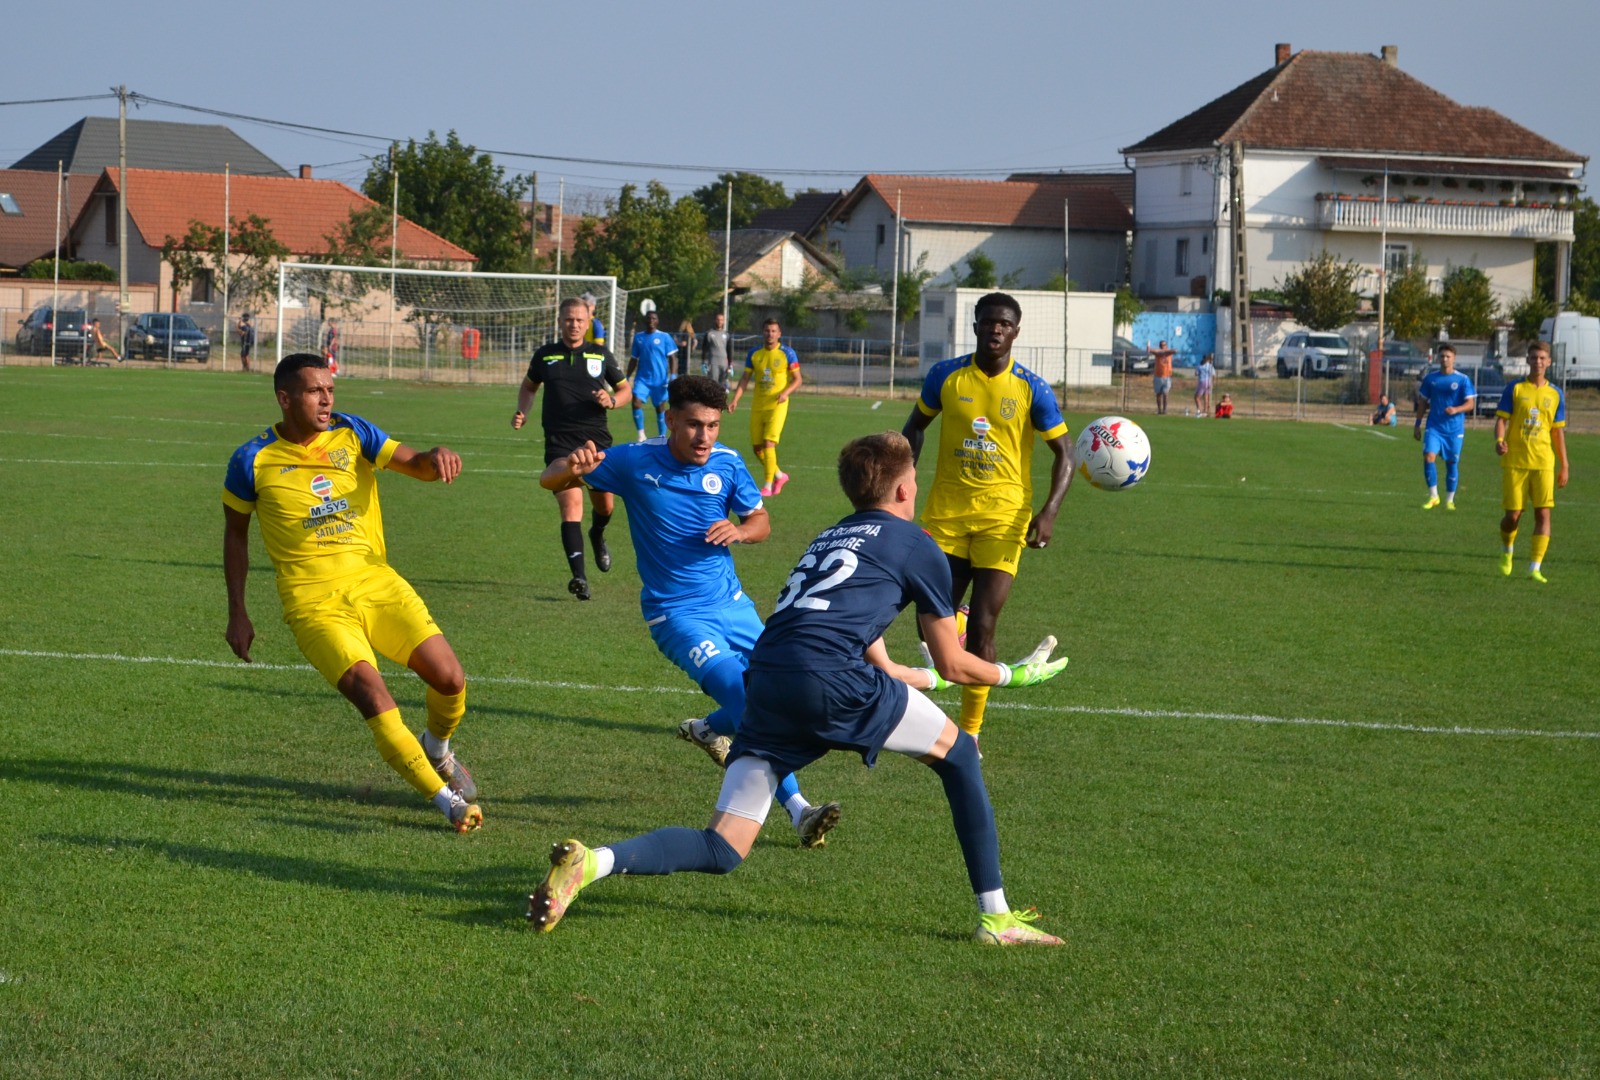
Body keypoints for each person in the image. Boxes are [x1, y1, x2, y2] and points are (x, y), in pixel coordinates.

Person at [527, 431, 1072, 945]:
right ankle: (996, 917)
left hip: (767, 679)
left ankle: (594, 862)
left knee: (722, 847)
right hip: (828, 679)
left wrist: (911, 675)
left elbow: (862, 637)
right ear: (906, 489)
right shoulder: (915, 542)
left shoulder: (831, 534)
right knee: (959, 756)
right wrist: (1013, 674)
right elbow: (955, 662)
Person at [539, 375, 836, 848]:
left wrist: (741, 532)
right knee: (748, 700)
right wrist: (570, 466)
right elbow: (550, 478)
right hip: (677, 615)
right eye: (694, 425)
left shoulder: (728, 462)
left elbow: (760, 521)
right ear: (671, 419)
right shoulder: (635, 461)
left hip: (734, 607)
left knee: (782, 689)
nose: (705, 437)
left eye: (714, 426)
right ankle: (800, 810)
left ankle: (703, 730)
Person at [222, 353, 481, 832]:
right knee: (373, 694)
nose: (327, 399)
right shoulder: (251, 459)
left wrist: (437, 455)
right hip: (313, 603)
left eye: (330, 390)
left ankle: (438, 751)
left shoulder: (352, 432)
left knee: (450, 679)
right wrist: (238, 611)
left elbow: (416, 464)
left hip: (375, 583)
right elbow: (235, 535)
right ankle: (448, 803)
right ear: (284, 398)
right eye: (314, 391)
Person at [902, 292, 1073, 748]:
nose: (996, 330)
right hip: (946, 516)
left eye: (1005, 324)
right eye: (989, 322)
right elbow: (915, 426)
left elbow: (1065, 452)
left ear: (1015, 332)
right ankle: (953, 629)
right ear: (975, 326)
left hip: (1003, 518)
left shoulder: (1031, 388)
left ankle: (971, 733)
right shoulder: (946, 376)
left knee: (983, 627)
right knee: (927, 621)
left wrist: (1050, 511)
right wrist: (903, 479)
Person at [513, 297, 633, 602]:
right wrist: (522, 411)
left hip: (597, 444)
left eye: (580, 320)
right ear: (560, 321)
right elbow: (529, 386)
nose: (574, 324)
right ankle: (579, 577)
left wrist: (612, 401)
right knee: (571, 507)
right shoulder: (545, 355)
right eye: (569, 319)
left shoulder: (600, 354)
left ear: (589, 321)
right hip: (560, 444)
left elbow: (625, 390)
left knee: (605, 508)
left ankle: (597, 534)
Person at [1494, 341, 1568, 583]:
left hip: (1543, 463)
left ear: (1549, 362)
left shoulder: (1556, 394)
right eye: (1534, 357)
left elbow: (1557, 432)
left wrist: (1564, 465)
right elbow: (1502, 420)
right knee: (1513, 516)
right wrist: (1499, 440)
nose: (1538, 361)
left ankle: (1535, 567)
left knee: (1543, 514)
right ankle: (1507, 552)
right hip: (1515, 462)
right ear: (1527, 360)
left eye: (1542, 358)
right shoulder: (1514, 388)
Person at [729, 317, 803, 496]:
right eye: (767, 331)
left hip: (777, 405)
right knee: (757, 448)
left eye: (773, 331)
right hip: (758, 404)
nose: (770, 334)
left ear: (779, 334)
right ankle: (779, 475)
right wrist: (735, 399)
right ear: (762, 332)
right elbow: (745, 379)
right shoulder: (754, 353)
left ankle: (768, 485)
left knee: (769, 443)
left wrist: (785, 393)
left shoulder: (787, 353)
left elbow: (797, 379)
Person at [1414, 344, 1476, 510]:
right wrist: (1417, 424)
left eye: (1448, 356)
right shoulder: (1430, 379)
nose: (1445, 359)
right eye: (1442, 356)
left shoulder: (1462, 380)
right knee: (1428, 456)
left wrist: (1456, 409)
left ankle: (1450, 500)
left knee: (1451, 463)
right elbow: (1422, 403)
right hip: (1434, 426)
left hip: (1454, 430)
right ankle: (1434, 496)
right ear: (1438, 358)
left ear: (1454, 358)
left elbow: (1470, 404)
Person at [627, 310, 678, 441]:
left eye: (654, 318)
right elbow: (634, 359)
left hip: (660, 380)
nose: (651, 320)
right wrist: (627, 377)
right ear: (645, 320)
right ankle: (641, 434)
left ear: (657, 321)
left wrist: (673, 375)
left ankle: (662, 436)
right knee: (636, 402)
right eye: (649, 318)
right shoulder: (639, 337)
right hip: (642, 379)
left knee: (660, 407)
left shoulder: (664, 337)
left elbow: (673, 358)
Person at [700, 311, 733, 389]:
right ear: (715, 320)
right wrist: (703, 362)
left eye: (721, 320)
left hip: (724, 364)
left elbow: (729, 350)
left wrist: (730, 364)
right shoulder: (709, 333)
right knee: (713, 384)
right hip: (713, 362)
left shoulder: (727, 334)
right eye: (718, 319)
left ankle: (722, 401)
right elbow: (704, 349)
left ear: (724, 321)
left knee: (723, 386)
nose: (720, 321)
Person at [1149, 340, 1175, 415]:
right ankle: (1159, 409)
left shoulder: (1169, 353)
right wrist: (1160, 352)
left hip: (1167, 376)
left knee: (1165, 394)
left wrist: (1165, 352)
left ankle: (1165, 410)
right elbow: (1151, 350)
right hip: (1158, 376)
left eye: (1164, 345)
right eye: (1161, 345)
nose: (1163, 346)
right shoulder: (1157, 354)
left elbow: (1174, 351)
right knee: (1158, 394)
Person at [1194, 353, 1216, 418]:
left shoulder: (1200, 365)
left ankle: (1199, 410)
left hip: (1203, 381)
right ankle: (1205, 411)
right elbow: (1213, 375)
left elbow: (1196, 373)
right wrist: (1212, 382)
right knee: (1206, 396)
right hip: (1208, 382)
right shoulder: (1210, 366)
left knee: (1197, 397)